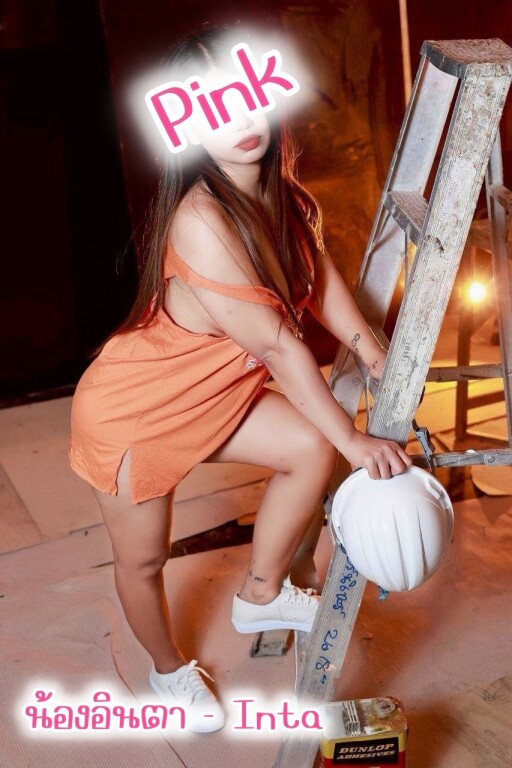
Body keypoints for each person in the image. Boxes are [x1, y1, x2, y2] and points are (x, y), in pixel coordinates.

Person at [69, 25, 411, 733]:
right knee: (144, 561)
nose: (240, 120)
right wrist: (354, 442)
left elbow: (319, 283)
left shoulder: (280, 192)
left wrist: (375, 354)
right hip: (136, 411)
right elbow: (281, 347)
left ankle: (259, 593)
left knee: (307, 448)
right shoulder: (200, 219)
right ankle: (168, 672)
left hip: (215, 397)